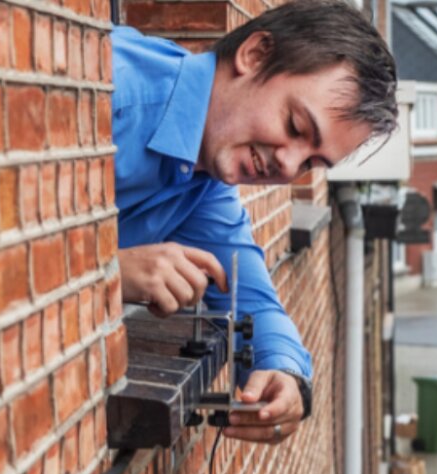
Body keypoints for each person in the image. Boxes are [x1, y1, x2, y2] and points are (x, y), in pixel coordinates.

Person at [111, 0, 397, 444]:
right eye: (296, 125)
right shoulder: (109, 95)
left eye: (313, 162)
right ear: (255, 54)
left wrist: (284, 373)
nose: (287, 165)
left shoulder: (202, 180)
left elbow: (252, 301)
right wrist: (110, 271)